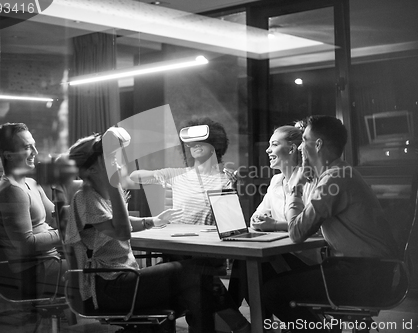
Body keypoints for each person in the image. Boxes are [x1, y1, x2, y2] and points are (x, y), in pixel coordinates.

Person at [65, 128, 250, 333]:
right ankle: (242, 326)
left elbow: (119, 222)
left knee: (197, 289)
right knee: (194, 272)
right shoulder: (85, 197)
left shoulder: (101, 196)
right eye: (109, 160)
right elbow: (122, 231)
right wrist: (114, 184)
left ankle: (240, 327)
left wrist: (151, 221)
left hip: (123, 278)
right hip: (106, 288)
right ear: (91, 169)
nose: (116, 163)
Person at [262, 115, 398, 332]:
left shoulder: (334, 179)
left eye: (304, 140)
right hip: (371, 270)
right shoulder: (338, 174)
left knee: (272, 291)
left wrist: (295, 189)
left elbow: (297, 232)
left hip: (363, 274)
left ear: (317, 145)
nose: (299, 148)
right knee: (265, 273)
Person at [228, 125, 319, 311]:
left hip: (304, 259)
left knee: (252, 274)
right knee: (248, 267)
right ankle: (233, 315)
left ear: (292, 149)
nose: (268, 150)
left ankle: (229, 314)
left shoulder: (310, 181)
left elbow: (314, 227)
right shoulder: (276, 181)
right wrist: (259, 220)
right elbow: (257, 216)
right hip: (277, 254)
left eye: (274, 144)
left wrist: (274, 225)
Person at [0, 122, 66, 298]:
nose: (35, 152)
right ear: (8, 155)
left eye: (33, 145)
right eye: (27, 147)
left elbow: (57, 218)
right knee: (97, 271)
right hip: (36, 271)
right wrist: (65, 234)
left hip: (50, 261)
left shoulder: (30, 183)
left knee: (100, 262)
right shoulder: (12, 191)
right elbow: (26, 245)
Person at [130, 117, 236, 225]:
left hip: (207, 239)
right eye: (192, 143)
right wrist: (155, 176)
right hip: (177, 237)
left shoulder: (227, 179)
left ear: (215, 146)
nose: (197, 145)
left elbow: (231, 220)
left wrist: (233, 186)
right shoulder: (176, 174)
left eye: (203, 141)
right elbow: (134, 176)